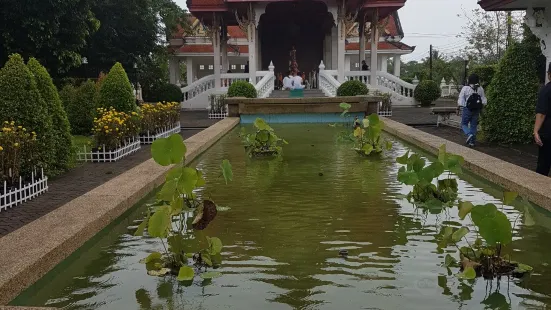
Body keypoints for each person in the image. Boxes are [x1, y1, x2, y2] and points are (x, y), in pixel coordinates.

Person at [457, 73, 487, 147]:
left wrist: (459, 107)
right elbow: (483, 100)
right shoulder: (480, 88)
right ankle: (472, 142)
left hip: (467, 109)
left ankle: (469, 134)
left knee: (464, 124)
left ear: (469, 80)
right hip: (476, 110)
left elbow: (461, 99)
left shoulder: (465, 88)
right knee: (473, 125)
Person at [534, 63, 551, 176]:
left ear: (549, 74)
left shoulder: (546, 90)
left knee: (543, 166)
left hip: (548, 133)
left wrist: (535, 131)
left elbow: (541, 114)